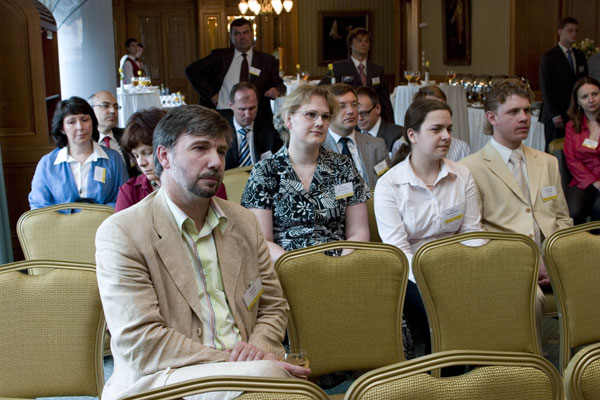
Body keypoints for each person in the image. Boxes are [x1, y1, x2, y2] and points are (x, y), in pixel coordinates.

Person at [96, 105, 309, 400]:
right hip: (164, 380)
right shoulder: (123, 232)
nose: (216, 162)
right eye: (200, 148)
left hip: (250, 370)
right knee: (285, 385)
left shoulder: (243, 222)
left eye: (221, 151)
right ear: (164, 156)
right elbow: (142, 343)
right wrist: (241, 365)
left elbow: (272, 306)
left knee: (286, 387)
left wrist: (257, 349)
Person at [461, 78, 573, 341]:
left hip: (554, 258)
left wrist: (552, 259)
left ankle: (583, 361)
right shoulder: (470, 168)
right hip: (507, 262)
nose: (524, 117)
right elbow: (475, 232)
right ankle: (533, 362)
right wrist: (531, 263)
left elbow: (562, 218)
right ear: (492, 118)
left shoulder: (547, 162)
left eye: (526, 110)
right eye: (513, 112)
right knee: (530, 300)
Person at [375, 98, 482, 353]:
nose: (446, 136)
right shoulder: (390, 185)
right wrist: (434, 279)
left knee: (488, 293)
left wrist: (472, 270)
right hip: (412, 272)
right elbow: (399, 250)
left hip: (458, 264)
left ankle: (484, 367)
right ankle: (442, 371)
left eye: (449, 129)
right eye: (436, 129)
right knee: (439, 307)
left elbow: (472, 232)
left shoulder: (462, 174)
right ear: (412, 135)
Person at [240, 84, 370, 263]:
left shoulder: (343, 167)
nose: (320, 122)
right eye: (311, 114)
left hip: (340, 266)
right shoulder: (265, 172)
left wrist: (339, 266)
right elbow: (262, 241)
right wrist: (298, 269)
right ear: (289, 120)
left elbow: (359, 232)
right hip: (285, 268)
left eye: (325, 116)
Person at [115, 108, 228, 212]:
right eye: (136, 156)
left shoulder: (207, 182)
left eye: (148, 152)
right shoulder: (130, 190)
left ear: (165, 153)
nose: (141, 163)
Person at [29, 96, 128, 209]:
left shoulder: (113, 158)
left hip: (105, 220)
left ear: (93, 122)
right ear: (62, 128)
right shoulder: (47, 164)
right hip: (60, 221)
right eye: (71, 122)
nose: (80, 127)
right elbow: (38, 204)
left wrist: (99, 214)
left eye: (84, 120)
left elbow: (124, 198)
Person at [185, 18, 285, 123]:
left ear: (252, 35)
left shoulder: (266, 60)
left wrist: (276, 90)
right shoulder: (219, 57)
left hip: (255, 116)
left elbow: (280, 85)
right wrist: (211, 94)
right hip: (223, 113)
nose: (242, 37)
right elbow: (191, 70)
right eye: (237, 34)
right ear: (231, 37)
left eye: (246, 32)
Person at [319, 27, 394, 123]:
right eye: (359, 40)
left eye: (366, 41)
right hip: (348, 117)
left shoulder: (377, 70)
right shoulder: (339, 67)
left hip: (372, 119)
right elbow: (322, 88)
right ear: (350, 44)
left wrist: (390, 123)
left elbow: (385, 100)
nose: (364, 43)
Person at [323, 83, 389, 190]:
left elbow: (388, 184)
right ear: (328, 112)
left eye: (354, 104)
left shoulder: (377, 145)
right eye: (342, 106)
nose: (351, 111)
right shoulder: (318, 148)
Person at [539, 17, 588, 148]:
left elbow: (584, 83)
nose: (574, 34)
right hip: (556, 113)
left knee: (575, 147)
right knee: (555, 148)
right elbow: (546, 88)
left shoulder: (580, 55)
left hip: (575, 112)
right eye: (570, 30)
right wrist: (554, 114)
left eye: (576, 31)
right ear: (560, 32)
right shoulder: (549, 57)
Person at [391, 85, 471, 161]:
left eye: (449, 129)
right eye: (431, 108)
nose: (438, 112)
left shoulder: (461, 149)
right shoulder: (400, 145)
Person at [564, 76, 600, 224]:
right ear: (578, 101)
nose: (591, 100)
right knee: (574, 212)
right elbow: (572, 160)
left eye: (595, 94)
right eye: (584, 97)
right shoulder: (571, 126)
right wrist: (594, 181)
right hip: (582, 179)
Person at [225, 82, 282, 169]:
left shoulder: (270, 132)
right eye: (242, 109)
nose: (248, 115)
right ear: (231, 106)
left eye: (252, 108)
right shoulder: (220, 132)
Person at [89, 91, 139, 178]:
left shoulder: (127, 135)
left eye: (116, 107)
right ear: (91, 110)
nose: (113, 111)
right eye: (106, 106)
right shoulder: (86, 141)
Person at [356, 86, 403, 152]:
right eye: (356, 114)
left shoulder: (397, 135)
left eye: (364, 113)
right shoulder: (351, 133)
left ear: (377, 108)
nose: (359, 118)